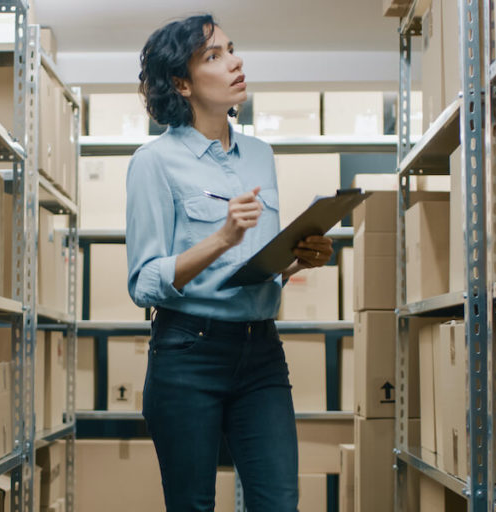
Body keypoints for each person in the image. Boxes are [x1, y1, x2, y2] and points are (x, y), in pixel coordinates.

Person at [125, 14, 335, 512]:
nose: (235, 62)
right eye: (214, 56)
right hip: (187, 353)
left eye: (232, 49)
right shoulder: (153, 162)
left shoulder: (260, 155)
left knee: (278, 502)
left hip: (261, 350)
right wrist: (221, 237)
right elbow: (144, 282)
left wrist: (299, 258)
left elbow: (256, 262)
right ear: (182, 82)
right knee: (193, 504)